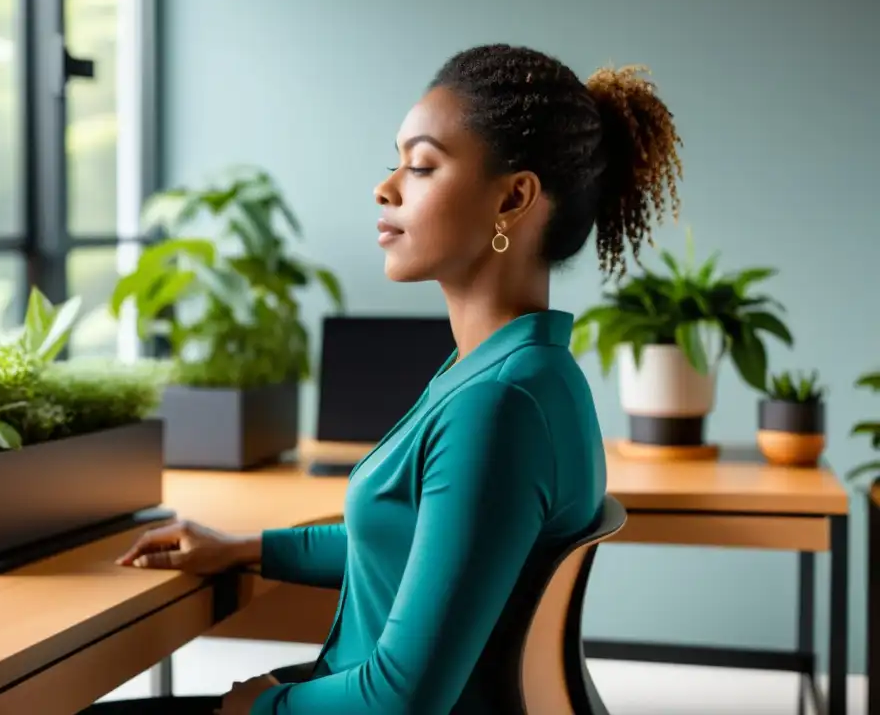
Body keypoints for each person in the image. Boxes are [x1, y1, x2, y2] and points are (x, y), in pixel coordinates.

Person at [91, 43, 683, 714]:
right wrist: (243, 549)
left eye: (423, 165)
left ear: (514, 198)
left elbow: (402, 700)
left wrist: (257, 708)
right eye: (396, 162)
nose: (387, 186)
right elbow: (418, 544)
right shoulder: (513, 372)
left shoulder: (496, 404)